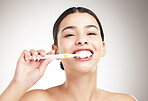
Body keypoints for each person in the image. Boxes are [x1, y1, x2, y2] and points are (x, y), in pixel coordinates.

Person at [0, 7, 137, 101]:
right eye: (70, 34)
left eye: (91, 33)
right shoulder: (37, 99)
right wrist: (19, 83)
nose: (82, 40)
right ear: (56, 51)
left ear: (103, 48)